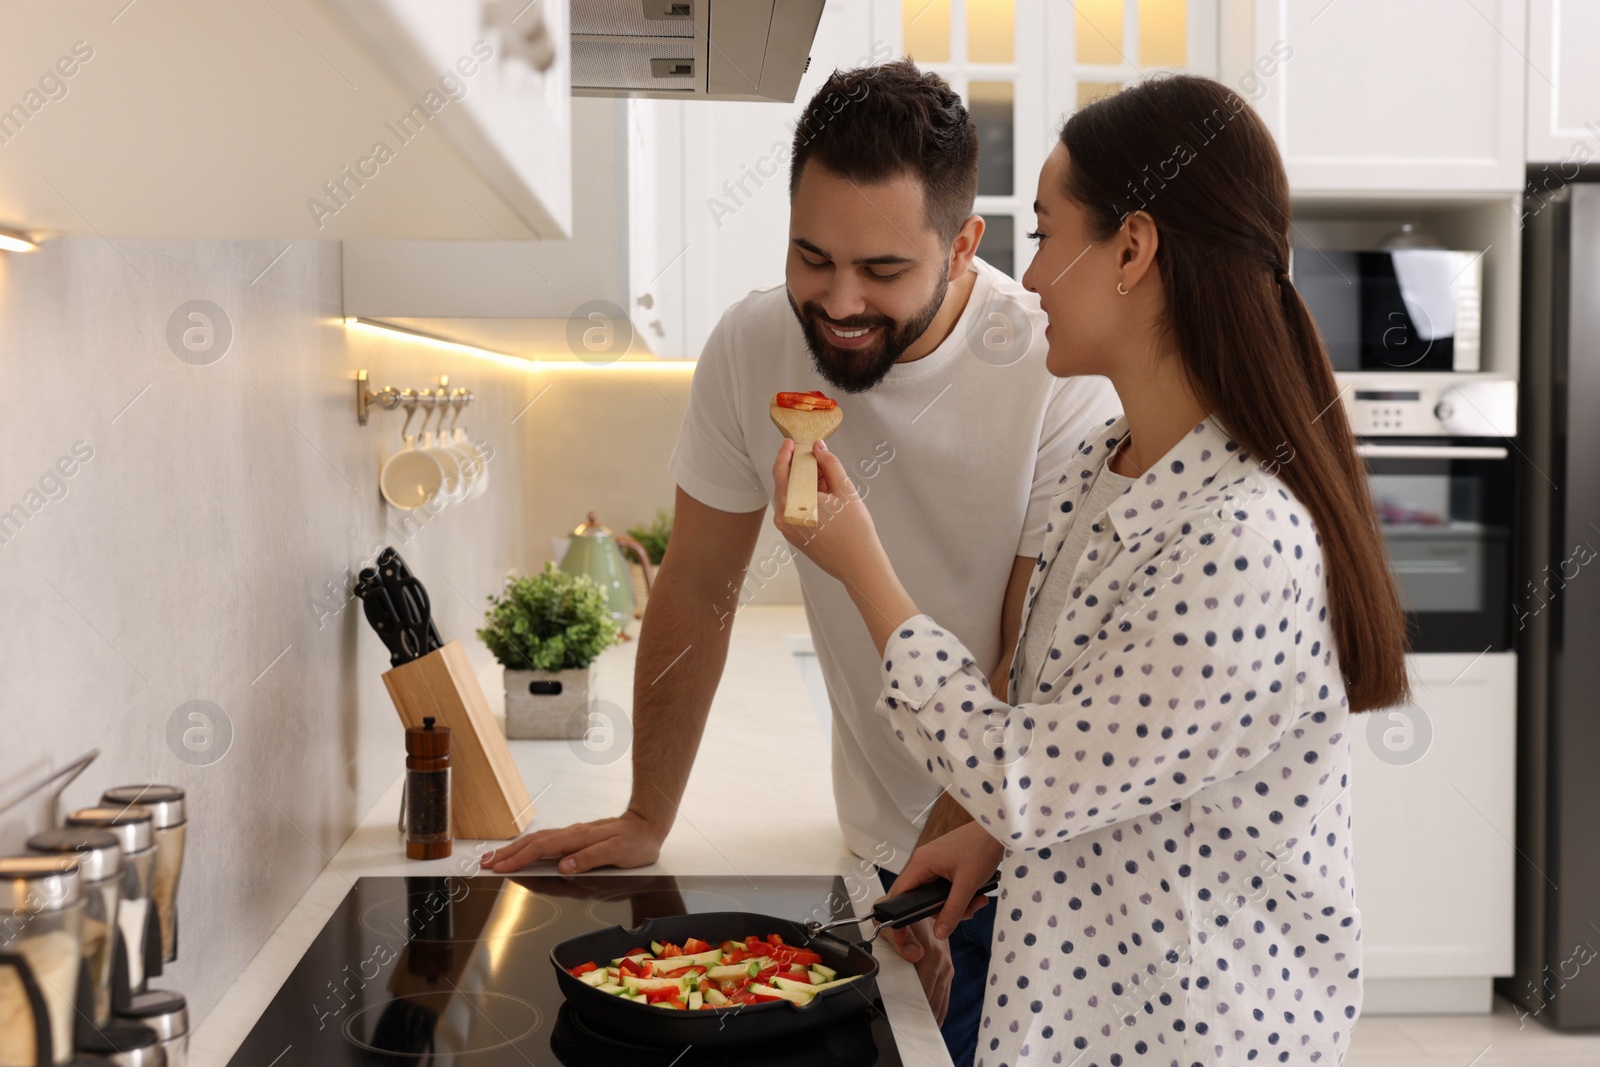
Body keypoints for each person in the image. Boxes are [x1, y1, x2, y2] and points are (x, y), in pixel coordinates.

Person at [481, 60, 1120, 1063]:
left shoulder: (1052, 367)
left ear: (961, 245)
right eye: (811, 256)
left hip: (1025, 854)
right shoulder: (749, 345)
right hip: (878, 849)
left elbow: (1023, 660)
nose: (838, 300)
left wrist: (933, 868)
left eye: (882, 271)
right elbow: (697, 584)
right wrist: (650, 810)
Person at [768, 74, 1412, 1066]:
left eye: (1043, 232)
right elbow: (1078, 746)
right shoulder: (1093, 469)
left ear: (1132, 249)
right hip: (1073, 1009)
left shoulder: (1239, 536)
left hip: (1193, 1031)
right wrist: (985, 839)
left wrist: (863, 569)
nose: (1027, 279)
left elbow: (1027, 776)